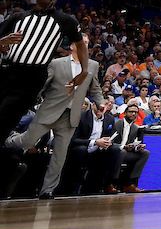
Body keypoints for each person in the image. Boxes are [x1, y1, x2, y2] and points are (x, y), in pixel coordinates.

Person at [5, 33, 104, 198]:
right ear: (72, 46)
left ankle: (47, 190)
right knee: (28, 141)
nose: (84, 45)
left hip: (71, 116)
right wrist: (28, 101)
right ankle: (8, 140)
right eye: (81, 42)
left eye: (86, 43)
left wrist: (100, 103)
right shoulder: (56, 64)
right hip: (50, 111)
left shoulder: (92, 66)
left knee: (59, 156)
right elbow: (42, 85)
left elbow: (95, 88)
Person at [0, 0, 89, 142]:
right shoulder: (18, 17)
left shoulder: (66, 21)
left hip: (32, 77)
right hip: (7, 70)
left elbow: (80, 45)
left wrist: (84, 71)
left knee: (5, 117)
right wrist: (1, 42)